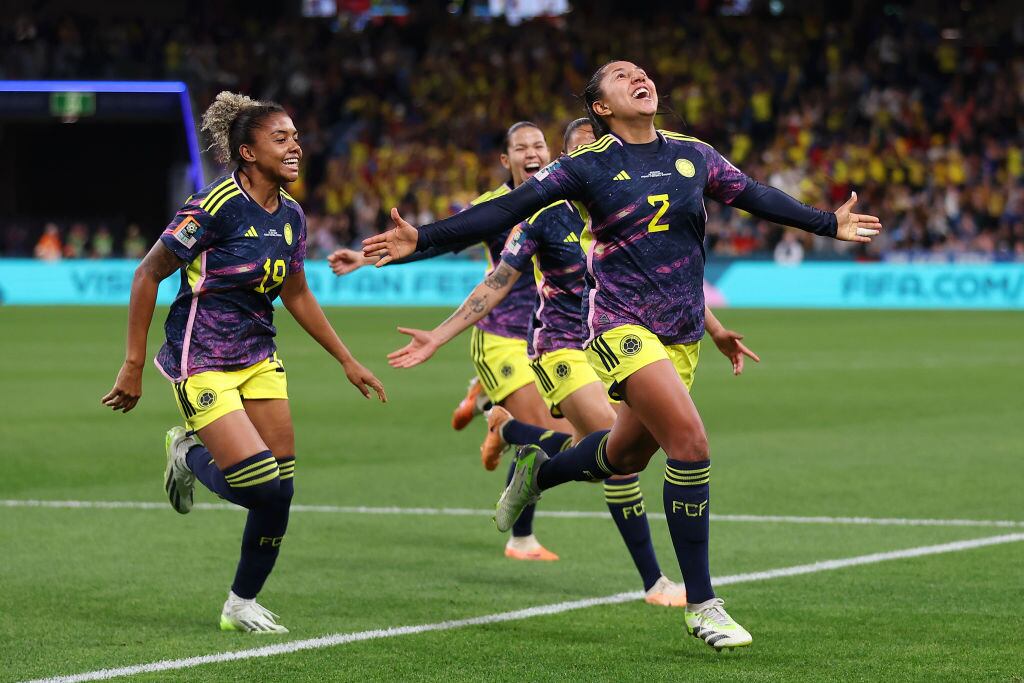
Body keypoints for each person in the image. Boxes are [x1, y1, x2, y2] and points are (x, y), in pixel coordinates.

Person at [363, 61, 881, 650]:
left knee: (621, 455)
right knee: (690, 444)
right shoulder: (588, 164)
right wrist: (424, 237)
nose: (639, 76)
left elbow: (755, 196)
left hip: (680, 334)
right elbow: (507, 209)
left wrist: (827, 224)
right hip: (619, 328)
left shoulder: (694, 154)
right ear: (601, 107)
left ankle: (538, 471)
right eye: (620, 75)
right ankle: (703, 604)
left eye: (641, 71)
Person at [388, 118, 759, 607]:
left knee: (620, 453)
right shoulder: (542, 215)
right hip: (561, 346)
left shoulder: (629, 211)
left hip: (620, 345)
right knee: (616, 452)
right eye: (591, 150)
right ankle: (654, 583)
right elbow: (496, 282)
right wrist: (438, 335)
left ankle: (512, 433)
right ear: (571, 162)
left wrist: (715, 330)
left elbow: (668, 281)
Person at [101, 91, 386, 633]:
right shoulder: (214, 206)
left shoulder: (292, 215)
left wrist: (347, 360)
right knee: (258, 486)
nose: (295, 146)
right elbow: (147, 274)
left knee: (282, 490)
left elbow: (296, 293)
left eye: (296, 137)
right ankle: (187, 454)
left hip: (258, 355)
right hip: (201, 356)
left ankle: (240, 603)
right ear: (248, 153)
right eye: (281, 138)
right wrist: (133, 363)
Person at [331, 121, 571, 562]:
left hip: (551, 337)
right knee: (546, 436)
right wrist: (365, 259)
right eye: (521, 147)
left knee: (552, 440)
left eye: (539, 145)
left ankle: (487, 406)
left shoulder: (566, 202)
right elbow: (434, 241)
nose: (532, 153)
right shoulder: (496, 207)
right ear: (506, 159)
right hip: (501, 335)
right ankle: (520, 530)